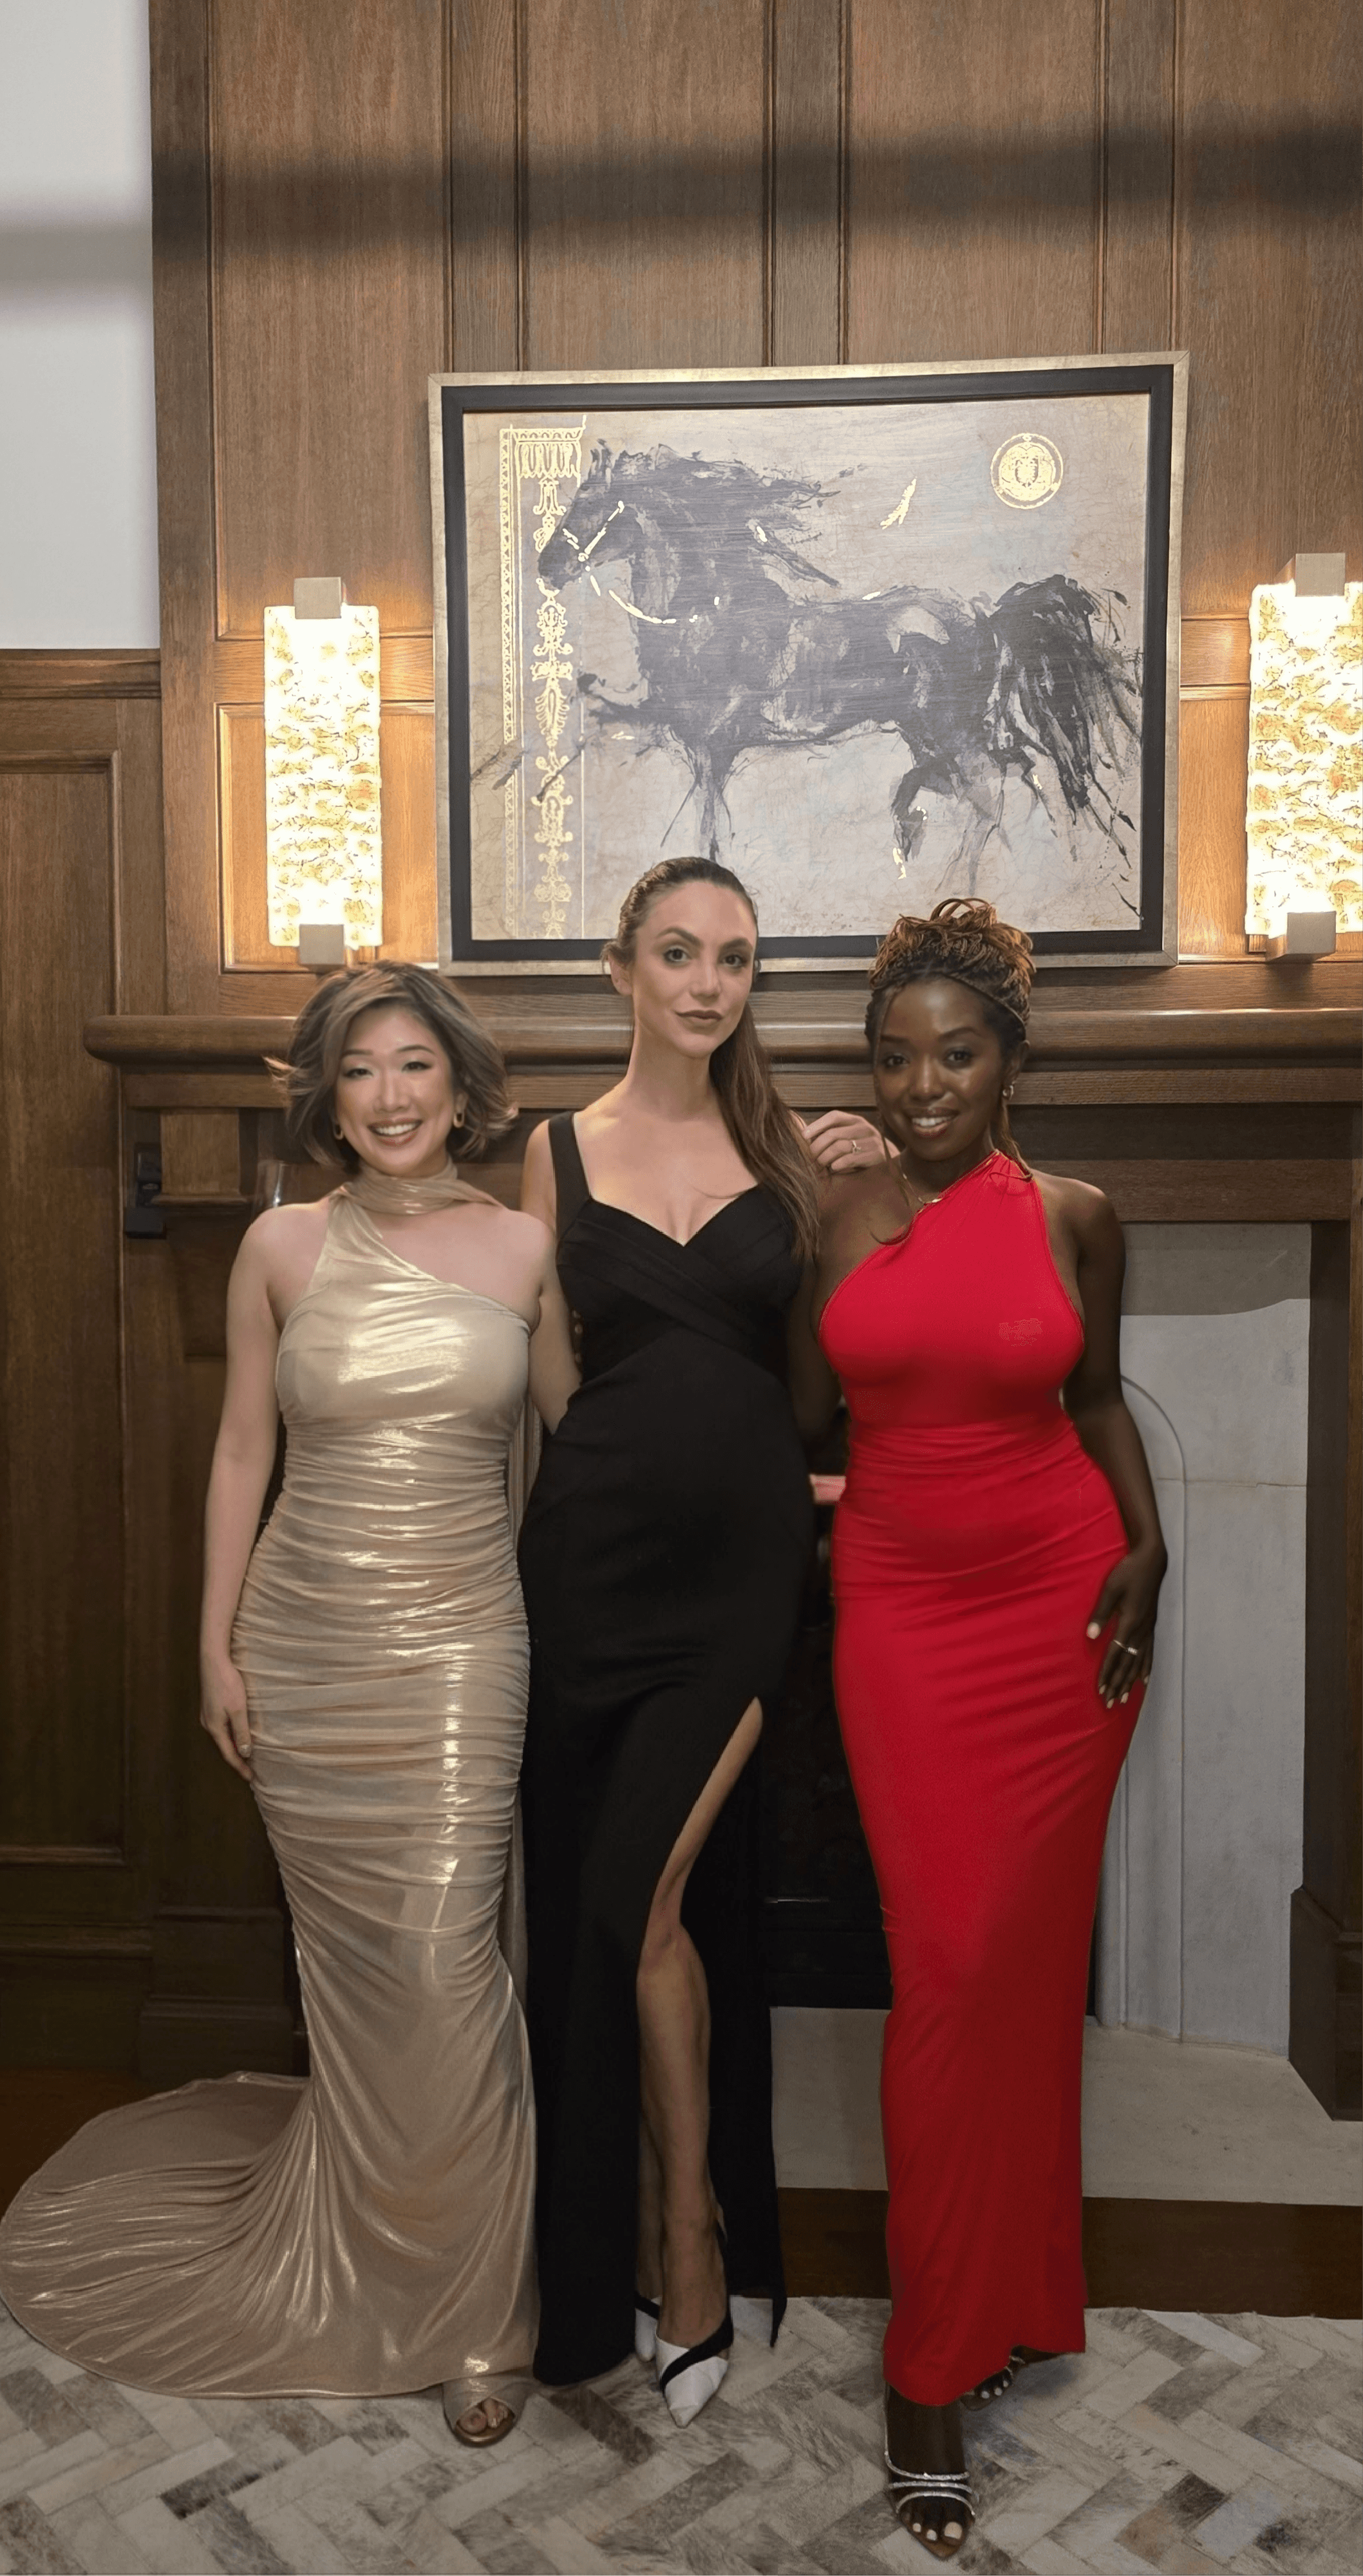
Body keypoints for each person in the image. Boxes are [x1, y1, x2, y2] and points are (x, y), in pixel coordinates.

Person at [0, 963, 577, 2446]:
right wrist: (216, 1647)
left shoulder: (525, 1246)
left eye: (413, 1067)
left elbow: (586, 1452)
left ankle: (472, 2310)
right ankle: (387, 2255)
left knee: (445, 1955)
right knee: (360, 1970)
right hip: (305, 1637)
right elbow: (244, 1451)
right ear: (329, 1095)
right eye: (360, 1071)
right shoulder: (276, 1243)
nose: (388, 1096)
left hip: (462, 1645)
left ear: (461, 1082)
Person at [789, 898, 1166, 2560]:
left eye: (956, 1051)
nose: (924, 1082)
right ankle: (925, 2368)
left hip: (1060, 1610)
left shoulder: (1080, 1216)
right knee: (943, 1961)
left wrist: (1152, 1541)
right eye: (896, 1053)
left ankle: (1002, 2298)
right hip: (901, 1623)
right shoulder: (834, 1218)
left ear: (1012, 1058)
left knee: (1015, 1975)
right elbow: (804, 1424)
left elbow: (1094, 1401)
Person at [516, 853, 882, 2427]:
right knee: (612, 1916)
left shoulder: (796, 1152)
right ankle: (644, 2236)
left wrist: (848, 1480)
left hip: (740, 1569)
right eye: (679, 951)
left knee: (640, 1887)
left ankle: (687, 2238)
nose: (708, 982)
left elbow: (853, 1353)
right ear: (624, 968)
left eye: (734, 957)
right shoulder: (551, 1150)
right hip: (589, 1560)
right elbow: (546, 1380)